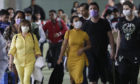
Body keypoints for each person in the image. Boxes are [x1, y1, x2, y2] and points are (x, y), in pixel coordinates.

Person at [82, 2, 115, 84]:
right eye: (91, 9)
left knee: (105, 78)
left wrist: (112, 50)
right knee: (93, 79)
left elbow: (111, 37)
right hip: (90, 54)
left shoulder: (105, 22)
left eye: (95, 8)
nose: (93, 10)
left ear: (98, 10)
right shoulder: (86, 25)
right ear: (89, 11)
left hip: (103, 53)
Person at [57, 16, 91, 84]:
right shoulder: (68, 33)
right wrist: (60, 58)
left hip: (80, 58)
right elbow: (64, 46)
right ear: (72, 24)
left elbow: (89, 45)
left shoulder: (84, 34)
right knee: (72, 79)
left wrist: (83, 49)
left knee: (78, 76)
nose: (78, 22)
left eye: (79, 20)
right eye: (76, 21)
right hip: (70, 58)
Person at [8, 20, 41, 84]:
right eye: (23, 26)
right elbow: (12, 50)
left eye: (27, 26)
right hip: (18, 62)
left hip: (30, 61)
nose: (25, 27)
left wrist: (39, 61)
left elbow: (37, 50)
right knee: (22, 80)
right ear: (20, 27)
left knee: (26, 79)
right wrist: (10, 62)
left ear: (29, 27)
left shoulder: (33, 36)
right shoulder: (16, 37)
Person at [115, 1, 140, 84]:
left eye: (127, 9)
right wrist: (116, 52)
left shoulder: (138, 22)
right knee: (122, 74)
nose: (125, 11)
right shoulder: (121, 20)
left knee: (133, 77)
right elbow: (119, 37)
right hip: (123, 52)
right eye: (123, 9)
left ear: (132, 9)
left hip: (135, 52)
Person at [43, 9, 68, 84]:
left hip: (59, 43)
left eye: (52, 14)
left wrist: (59, 33)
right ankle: (57, 76)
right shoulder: (47, 23)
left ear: (56, 15)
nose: (51, 16)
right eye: (50, 15)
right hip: (51, 44)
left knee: (58, 60)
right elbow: (42, 30)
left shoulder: (60, 22)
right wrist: (45, 36)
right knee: (54, 62)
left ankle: (58, 77)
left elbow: (66, 29)